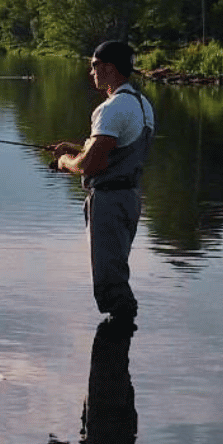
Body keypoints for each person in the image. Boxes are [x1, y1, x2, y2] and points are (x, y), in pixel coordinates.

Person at [48, 40, 154, 317]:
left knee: (110, 283)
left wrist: (65, 162)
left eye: (94, 66)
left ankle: (115, 347)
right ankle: (118, 346)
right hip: (130, 198)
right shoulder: (142, 104)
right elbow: (115, 150)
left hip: (109, 201)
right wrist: (76, 148)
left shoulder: (111, 108)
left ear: (109, 68)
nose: (91, 72)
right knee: (115, 273)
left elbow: (91, 165)